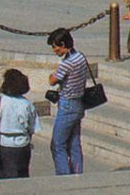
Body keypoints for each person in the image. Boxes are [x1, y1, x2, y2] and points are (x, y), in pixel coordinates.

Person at [0, 67, 40, 179]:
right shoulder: (27, 104)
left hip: (3, 145)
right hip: (23, 146)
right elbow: (34, 127)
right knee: (22, 176)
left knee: (3, 178)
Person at [46, 27, 88, 175]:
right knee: (74, 143)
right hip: (79, 103)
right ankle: (78, 173)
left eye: (55, 47)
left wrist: (53, 74)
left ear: (63, 44)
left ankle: (64, 177)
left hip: (67, 105)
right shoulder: (80, 57)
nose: (54, 50)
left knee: (57, 144)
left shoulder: (66, 63)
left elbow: (52, 80)